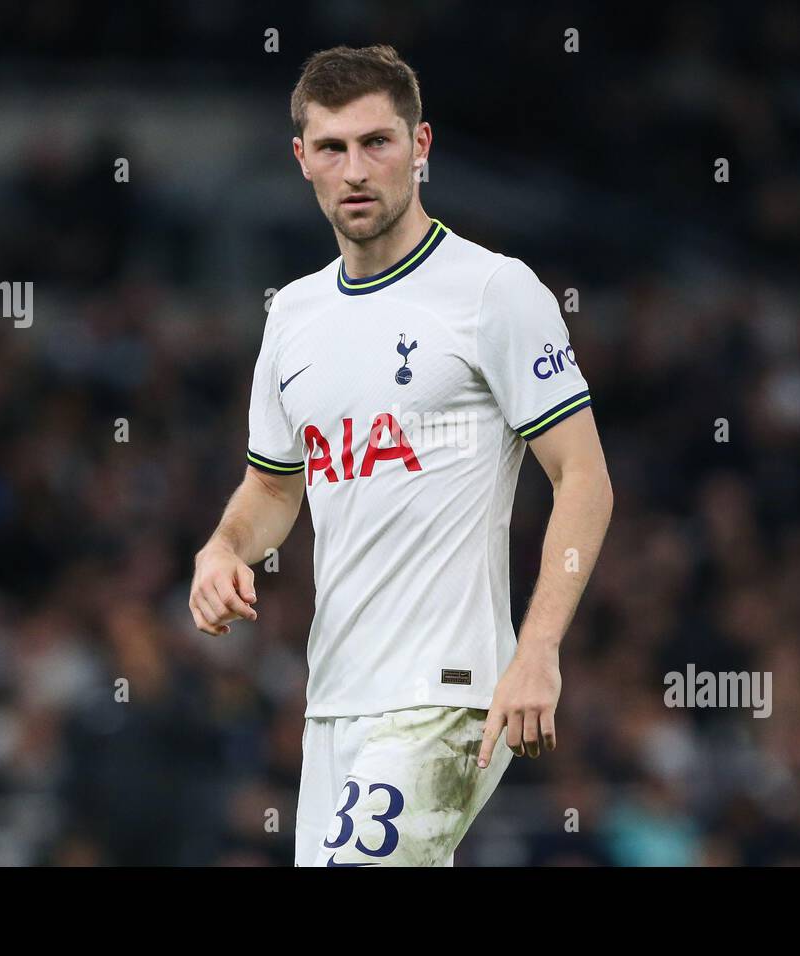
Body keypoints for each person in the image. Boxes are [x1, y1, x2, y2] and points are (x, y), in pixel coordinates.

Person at [190, 44, 613, 866]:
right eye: (332, 148)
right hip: (336, 702)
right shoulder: (295, 317)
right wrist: (224, 547)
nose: (355, 169)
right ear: (301, 159)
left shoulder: (494, 292)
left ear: (421, 147)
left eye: (377, 143)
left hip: (445, 695)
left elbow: (584, 480)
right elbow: (272, 490)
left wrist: (539, 650)